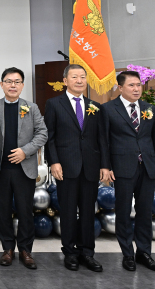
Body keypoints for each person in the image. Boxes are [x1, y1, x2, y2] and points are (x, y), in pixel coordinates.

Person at [101, 70, 155, 272]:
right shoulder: (108, 109)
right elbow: (104, 141)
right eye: (131, 85)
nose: (136, 89)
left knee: (145, 212)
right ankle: (127, 254)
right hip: (122, 168)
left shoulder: (149, 108)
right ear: (120, 87)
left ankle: (144, 253)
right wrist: (106, 166)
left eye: (138, 85)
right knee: (123, 212)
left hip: (147, 167)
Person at [44, 64, 108, 272]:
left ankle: (87, 253)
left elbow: (102, 139)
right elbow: (50, 137)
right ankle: (70, 252)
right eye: (74, 77)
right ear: (65, 81)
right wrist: (54, 162)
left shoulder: (95, 106)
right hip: (66, 167)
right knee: (69, 212)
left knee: (89, 212)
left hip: (90, 167)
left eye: (82, 77)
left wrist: (104, 165)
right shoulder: (54, 104)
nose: (79, 80)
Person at [0, 67, 47, 270]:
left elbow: (42, 133)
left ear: (22, 85)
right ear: (1, 84)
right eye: (8, 81)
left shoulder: (32, 107)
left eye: (17, 82)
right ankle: (7, 249)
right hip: (1, 169)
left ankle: (25, 250)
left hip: (25, 169)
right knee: (3, 211)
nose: (12, 85)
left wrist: (25, 151)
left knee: (25, 211)